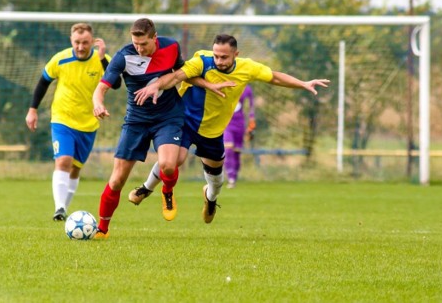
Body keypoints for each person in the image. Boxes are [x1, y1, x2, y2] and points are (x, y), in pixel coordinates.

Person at [131, 34, 330, 224]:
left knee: (217, 182)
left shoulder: (247, 67)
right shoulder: (201, 60)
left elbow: (274, 77)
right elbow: (176, 77)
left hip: (213, 131)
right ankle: (146, 188)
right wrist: (156, 85)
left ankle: (210, 198)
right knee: (174, 160)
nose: (219, 60)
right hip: (185, 122)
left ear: (236, 54)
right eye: (216, 55)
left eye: (224, 57)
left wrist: (303, 83)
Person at [91, 18, 186, 239]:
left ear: (155, 38)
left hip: (168, 116)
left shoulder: (172, 46)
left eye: (143, 44)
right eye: (135, 43)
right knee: (116, 180)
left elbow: (183, 73)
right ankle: (102, 229)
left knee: (169, 165)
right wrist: (98, 104)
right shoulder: (124, 56)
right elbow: (101, 88)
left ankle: (167, 191)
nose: (139, 48)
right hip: (136, 120)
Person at [25, 23, 119, 222]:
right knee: (63, 161)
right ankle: (59, 208)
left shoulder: (103, 60)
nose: (81, 47)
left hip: (88, 123)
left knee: (76, 168)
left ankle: (64, 209)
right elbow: (43, 82)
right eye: (77, 42)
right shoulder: (60, 59)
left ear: (92, 42)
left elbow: (117, 84)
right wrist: (32, 109)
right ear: (71, 41)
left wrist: (103, 60)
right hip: (62, 119)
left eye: (85, 43)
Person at [224, 85, 255, 188]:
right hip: (226, 123)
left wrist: (251, 121)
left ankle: (234, 177)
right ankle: (231, 178)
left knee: (237, 152)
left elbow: (251, 106)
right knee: (228, 149)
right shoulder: (225, 84)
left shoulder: (246, 88)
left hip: (240, 123)